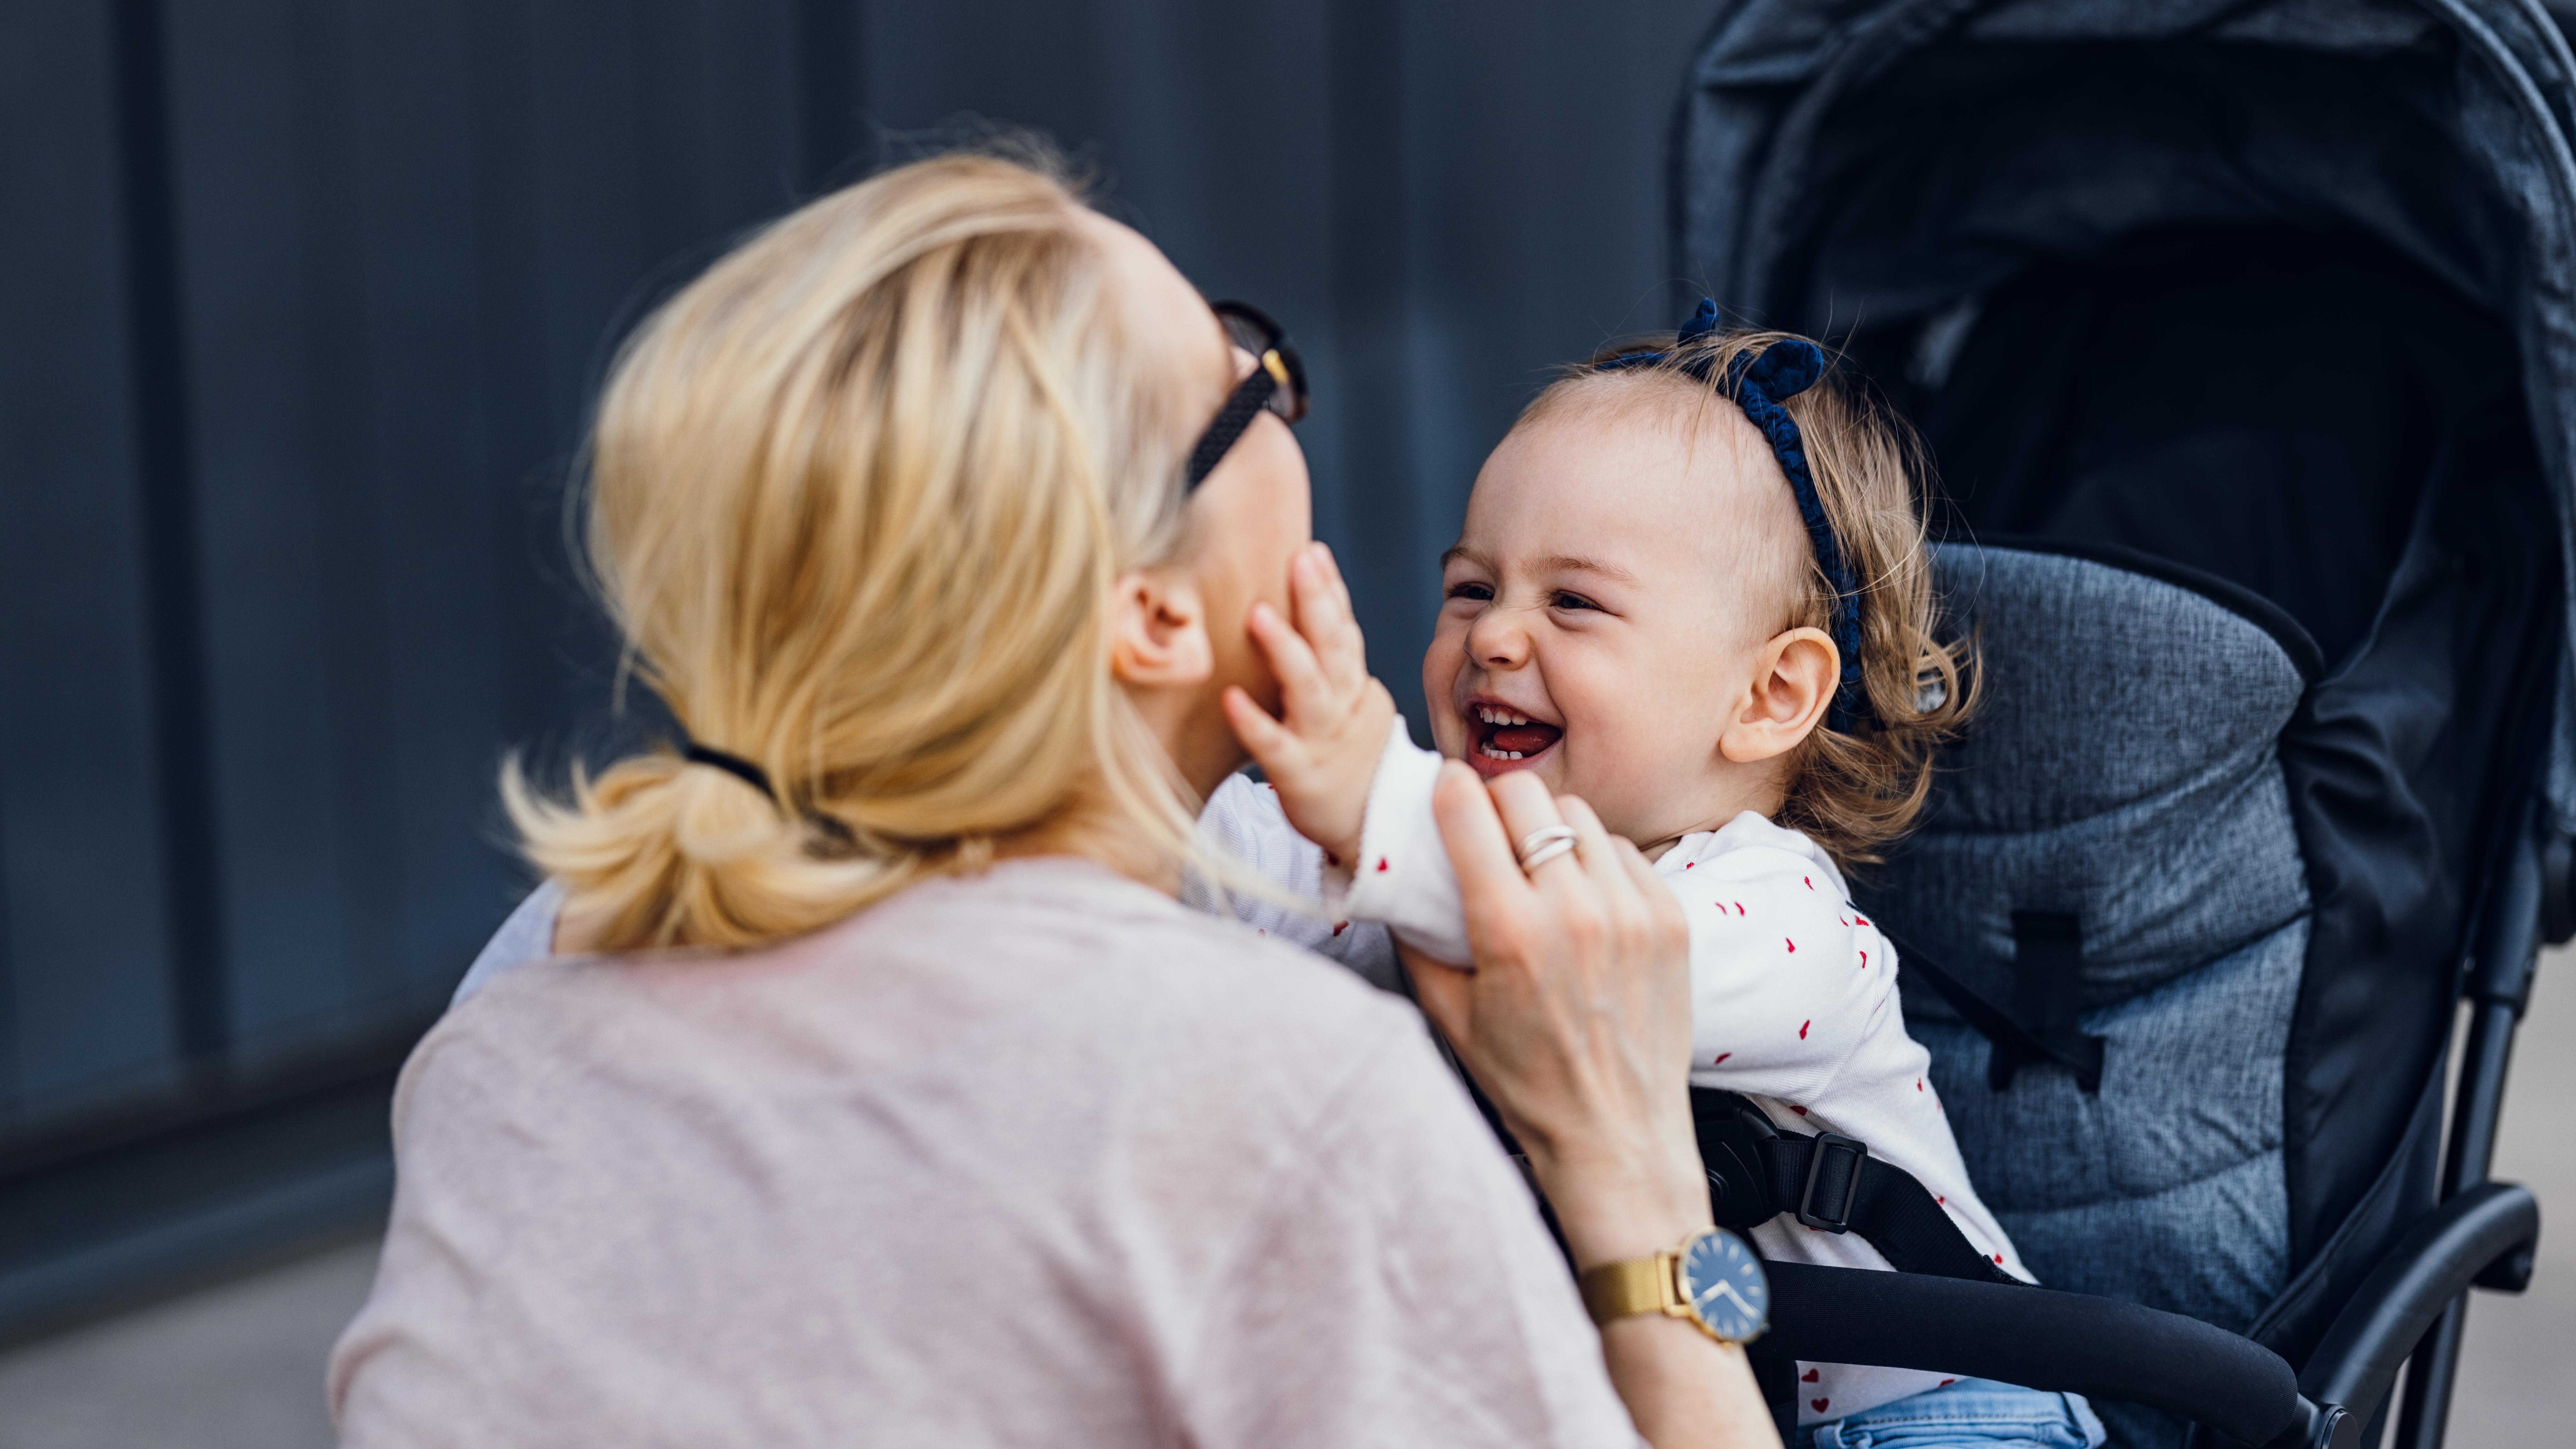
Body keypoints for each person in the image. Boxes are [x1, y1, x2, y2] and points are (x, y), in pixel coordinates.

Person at [327, 150, 1775, 1448]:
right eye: (1244, 380)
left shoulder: (526, 1006)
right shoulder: (1279, 1092)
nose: (1283, 399)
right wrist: (1633, 1179)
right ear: (1148, 618)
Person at [1196, 308, 2107, 1446]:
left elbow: (1565, 942)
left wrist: (1361, 798)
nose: (1493, 639)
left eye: (1572, 602)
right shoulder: (1417, 840)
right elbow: (1219, 854)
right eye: (1472, 589)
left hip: (1946, 1407)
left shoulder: (1786, 926)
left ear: (1769, 697)